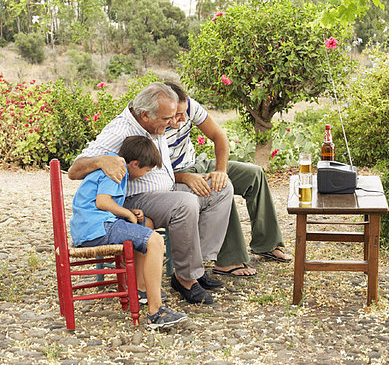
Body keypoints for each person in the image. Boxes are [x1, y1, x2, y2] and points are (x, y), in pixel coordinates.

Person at [68, 82, 234, 305]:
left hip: (167, 191)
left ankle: (196, 266)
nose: (172, 122)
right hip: (137, 199)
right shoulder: (119, 130)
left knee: (220, 190)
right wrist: (101, 161)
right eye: (167, 119)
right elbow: (74, 170)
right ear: (145, 114)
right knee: (185, 204)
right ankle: (186, 279)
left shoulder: (153, 124)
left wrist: (186, 177)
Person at [163, 82, 291, 277]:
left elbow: (218, 136)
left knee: (254, 175)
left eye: (183, 113)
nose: (182, 118)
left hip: (198, 164)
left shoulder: (187, 105)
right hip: (173, 176)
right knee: (219, 188)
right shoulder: (154, 120)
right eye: (177, 115)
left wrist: (221, 170)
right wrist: (185, 177)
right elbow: (150, 173)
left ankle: (267, 243)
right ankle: (228, 260)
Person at [70, 135, 187, 329]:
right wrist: (127, 214)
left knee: (146, 225)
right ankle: (156, 313)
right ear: (134, 163)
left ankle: (141, 289)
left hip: (90, 227)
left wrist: (132, 214)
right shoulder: (117, 169)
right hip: (98, 228)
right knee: (155, 241)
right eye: (146, 170)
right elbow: (103, 202)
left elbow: (102, 202)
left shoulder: (112, 164)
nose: (145, 175)